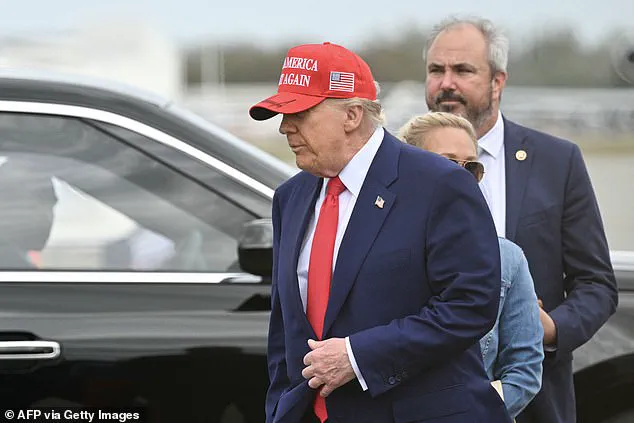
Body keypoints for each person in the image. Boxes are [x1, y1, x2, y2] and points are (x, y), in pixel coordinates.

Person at [249, 42, 511, 423]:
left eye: (300, 113)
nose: (285, 127)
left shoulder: (439, 184)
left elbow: (470, 304)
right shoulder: (291, 197)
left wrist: (357, 356)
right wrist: (281, 408)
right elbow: (284, 330)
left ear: (352, 115)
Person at [422, 16, 619, 423]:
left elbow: (596, 283)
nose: (446, 83)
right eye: (436, 70)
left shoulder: (557, 161)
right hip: (423, 396)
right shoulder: (398, 161)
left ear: (498, 81)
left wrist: (548, 328)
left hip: (534, 403)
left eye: (463, 70)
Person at [398, 111, 544, 419]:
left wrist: (460, 412)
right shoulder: (367, 252)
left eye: (472, 167)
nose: (461, 178)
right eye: (447, 164)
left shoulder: (507, 259)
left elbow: (524, 372)